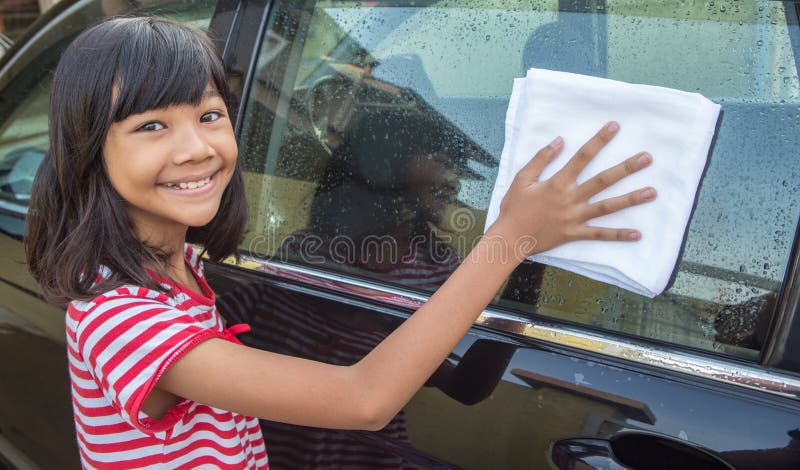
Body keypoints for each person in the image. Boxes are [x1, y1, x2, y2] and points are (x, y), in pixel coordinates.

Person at [24, 16, 657, 469]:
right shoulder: (120, 316)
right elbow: (365, 400)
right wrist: (511, 238)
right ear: (88, 151)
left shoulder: (181, 267)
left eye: (210, 114)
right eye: (151, 125)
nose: (195, 146)